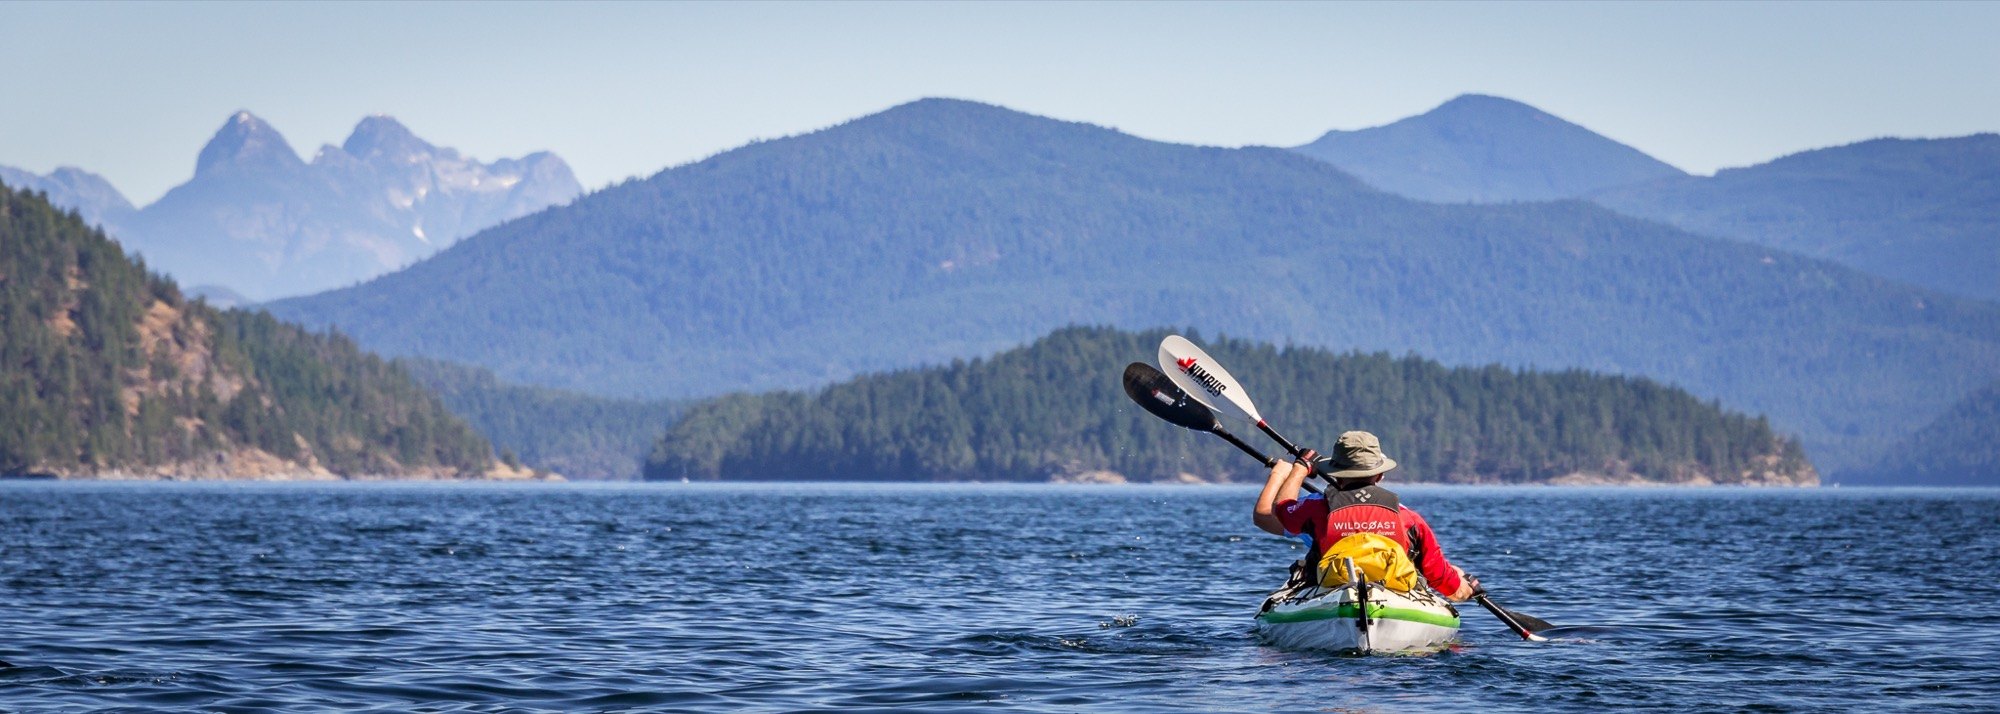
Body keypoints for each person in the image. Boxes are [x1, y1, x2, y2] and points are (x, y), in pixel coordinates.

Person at [1252, 430, 1477, 601]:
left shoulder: (1316, 508)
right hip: (1395, 595)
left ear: (1336, 475)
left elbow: (1282, 509)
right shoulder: (1408, 517)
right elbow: (1437, 572)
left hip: (1333, 591)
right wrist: (1463, 588)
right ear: (1379, 475)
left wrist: (1299, 470)